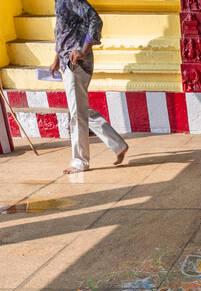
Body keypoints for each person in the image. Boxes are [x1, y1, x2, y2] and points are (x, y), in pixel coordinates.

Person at [49, 0, 127, 174]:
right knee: (80, 110)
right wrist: (56, 59)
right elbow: (62, 31)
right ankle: (118, 145)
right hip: (66, 61)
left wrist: (83, 51)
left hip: (77, 63)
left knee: (77, 113)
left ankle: (80, 161)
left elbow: (95, 20)